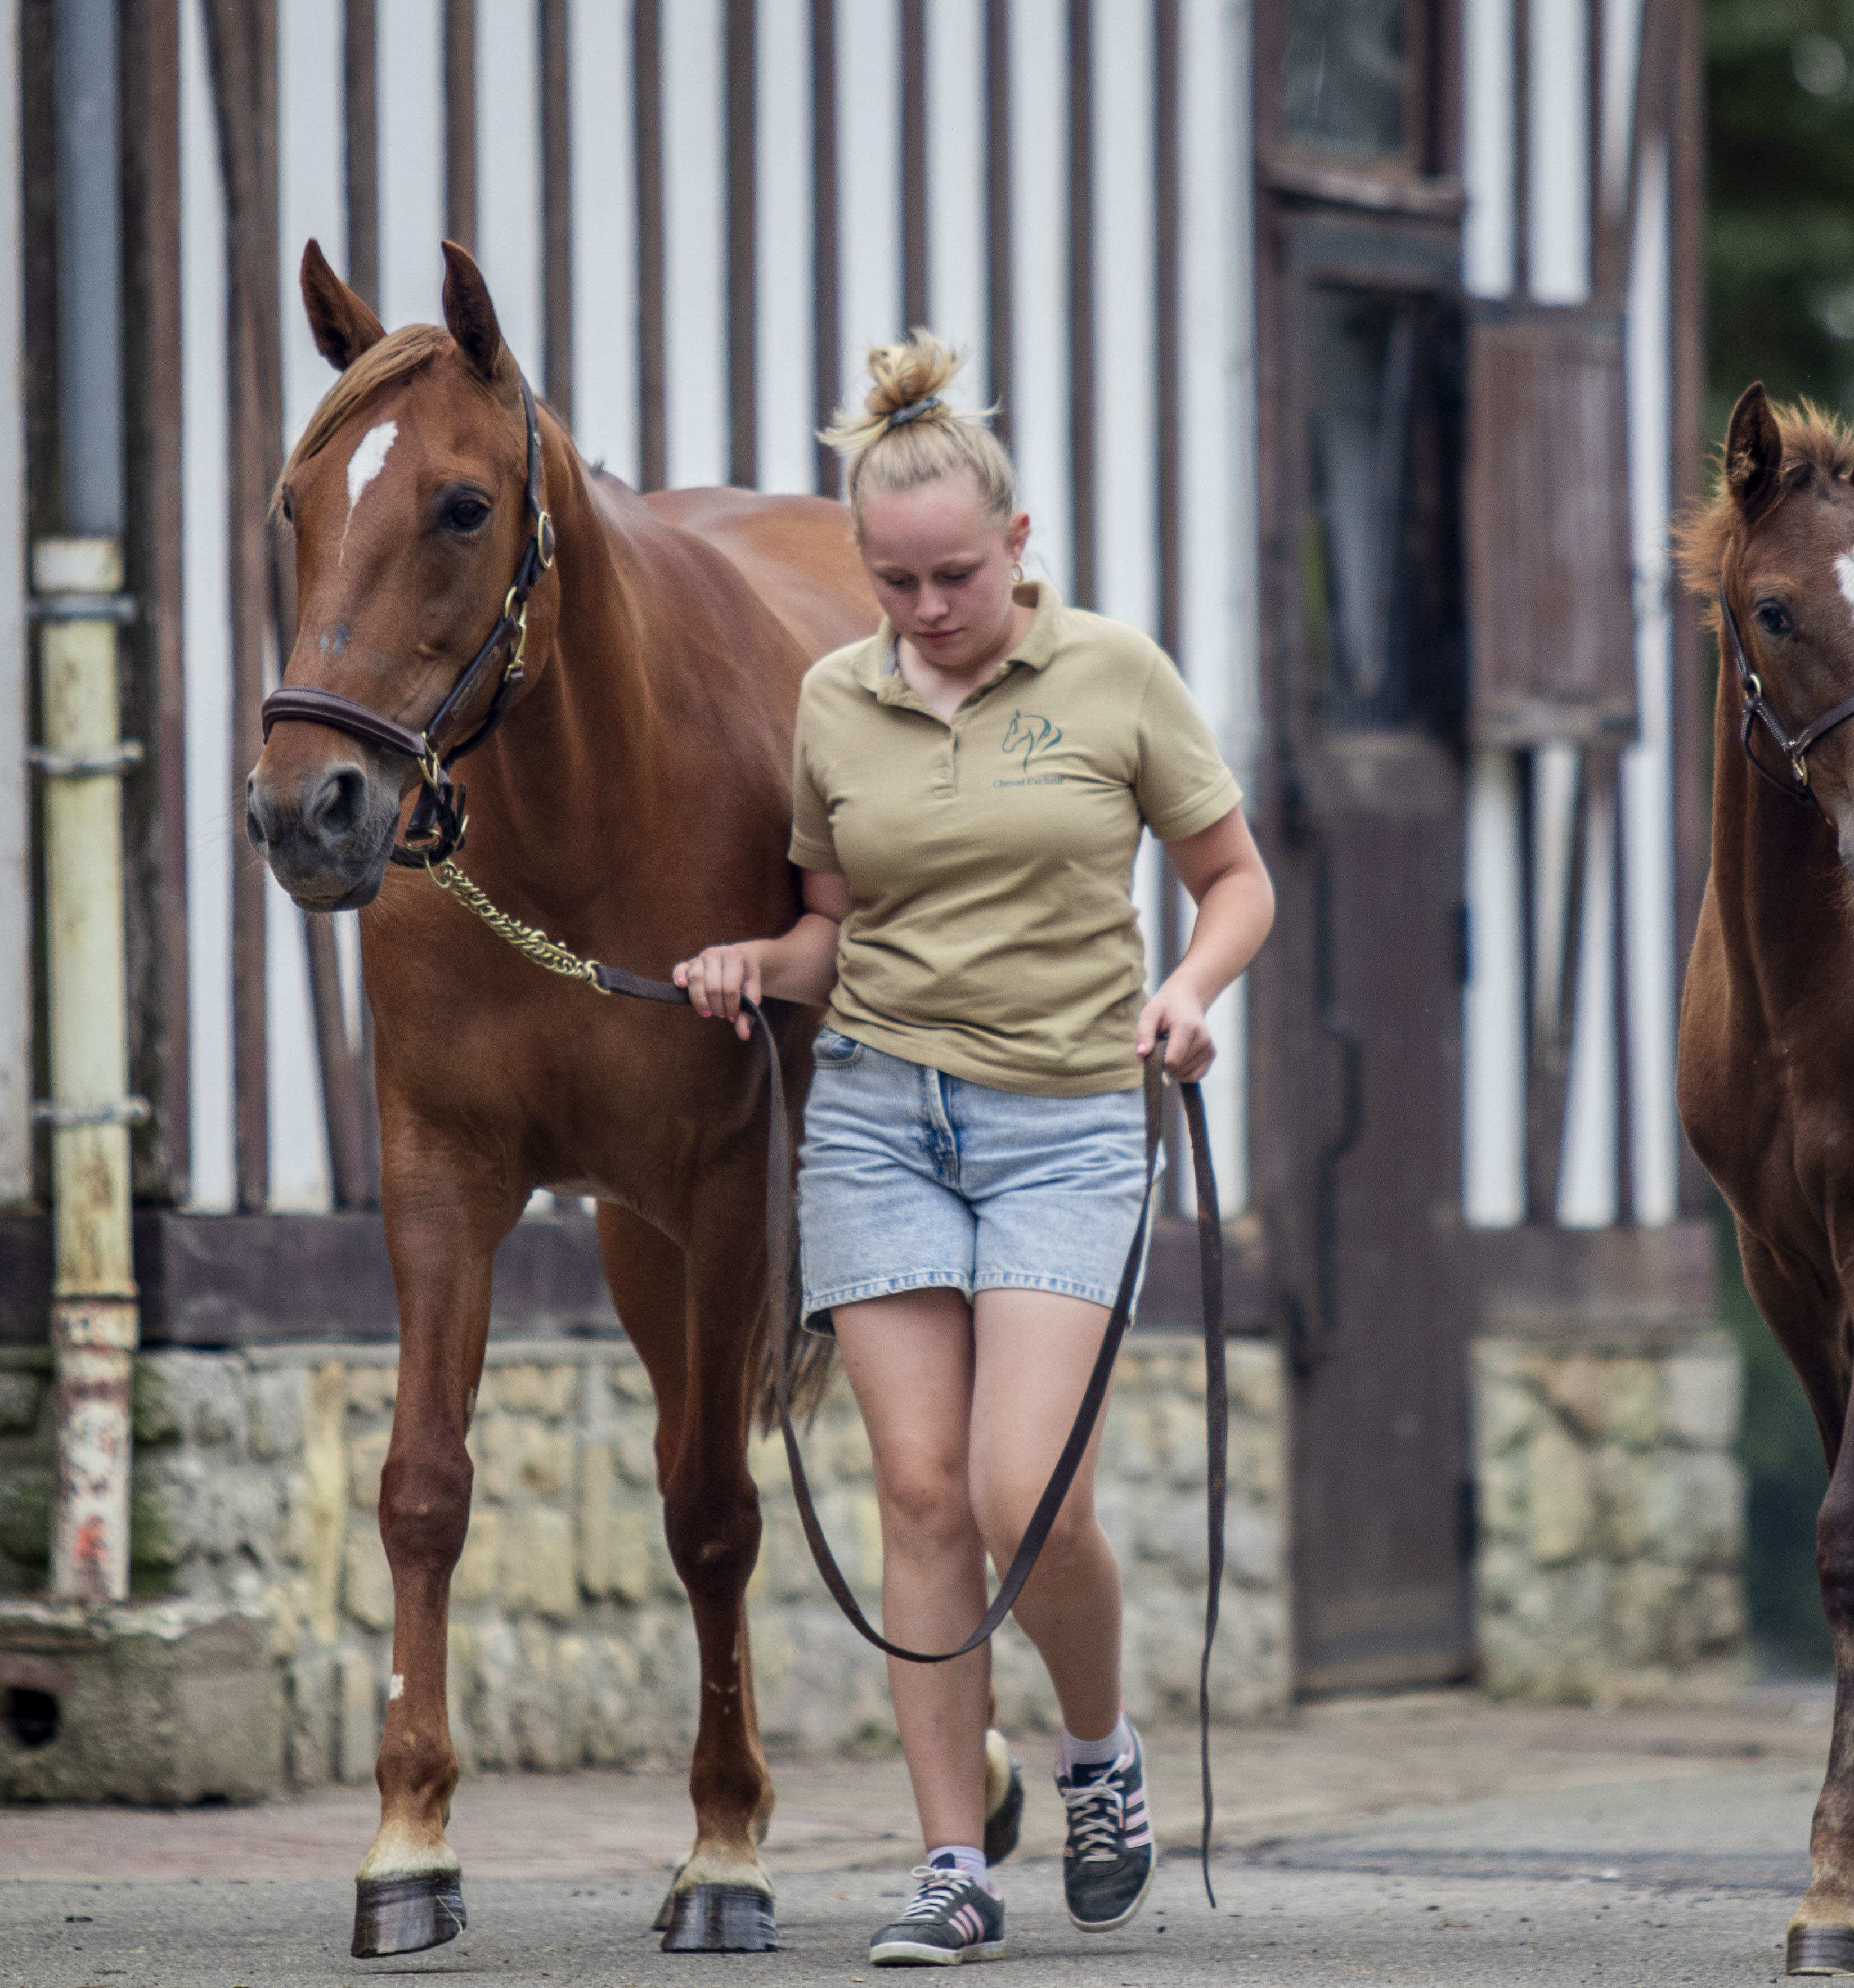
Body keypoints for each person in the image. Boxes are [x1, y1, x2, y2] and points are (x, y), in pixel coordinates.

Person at [674, 331, 1274, 1969]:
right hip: (879, 1119)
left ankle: (1099, 1751)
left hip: (1068, 1123)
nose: (927, 608)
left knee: (1027, 1493)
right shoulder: (834, 700)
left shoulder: (1116, 677)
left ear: (1018, 543)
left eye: (956, 576)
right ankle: (950, 1862)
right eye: (895, 582)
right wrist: (752, 963)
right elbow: (831, 926)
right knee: (923, 1494)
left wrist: (1190, 992)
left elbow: (1235, 880)